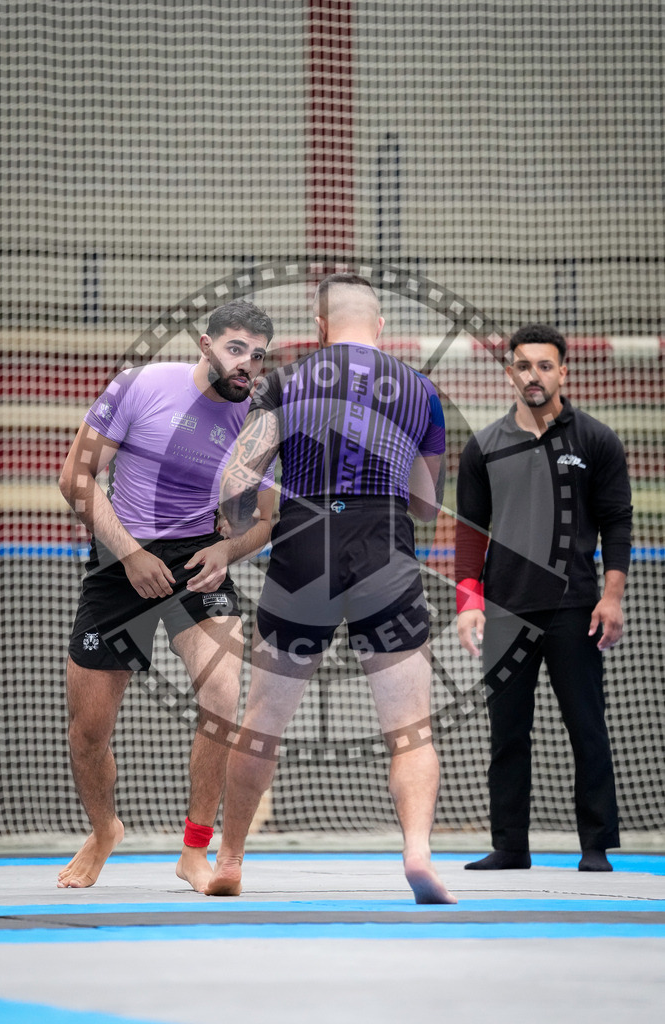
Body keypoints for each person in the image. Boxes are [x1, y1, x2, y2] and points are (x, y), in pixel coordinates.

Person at [208, 272, 457, 904]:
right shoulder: (422, 390)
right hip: (385, 550)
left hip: (303, 548)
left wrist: (234, 532)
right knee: (411, 729)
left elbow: (235, 478)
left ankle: (230, 858)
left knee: (262, 720)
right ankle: (419, 853)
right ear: (378, 327)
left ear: (320, 327)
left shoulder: (284, 381)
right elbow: (428, 506)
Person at [57, 299, 276, 891]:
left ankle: (194, 849)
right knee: (89, 731)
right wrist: (130, 554)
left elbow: (265, 521)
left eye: (257, 357)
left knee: (224, 691)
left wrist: (228, 551)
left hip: (197, 561)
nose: (246, 366)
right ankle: (105, 830)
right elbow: (74, 478)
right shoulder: (141, 385)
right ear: (206, 346)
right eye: (236, 350)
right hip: (119, 556)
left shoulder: (260, 418)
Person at [455, 323, 632, 872]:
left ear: (563, 371)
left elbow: (617, 524)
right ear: (511, 372)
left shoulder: (595, 439)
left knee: (586, 726)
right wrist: (469, 603)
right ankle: (511, 845)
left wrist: (612, 597)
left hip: (576, 608)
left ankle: (595, 846)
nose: (534, 375)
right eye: (524, 365)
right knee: (508, 733)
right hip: (505, 611)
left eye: (545, 365)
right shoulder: (483, 446)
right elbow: (468, 531)